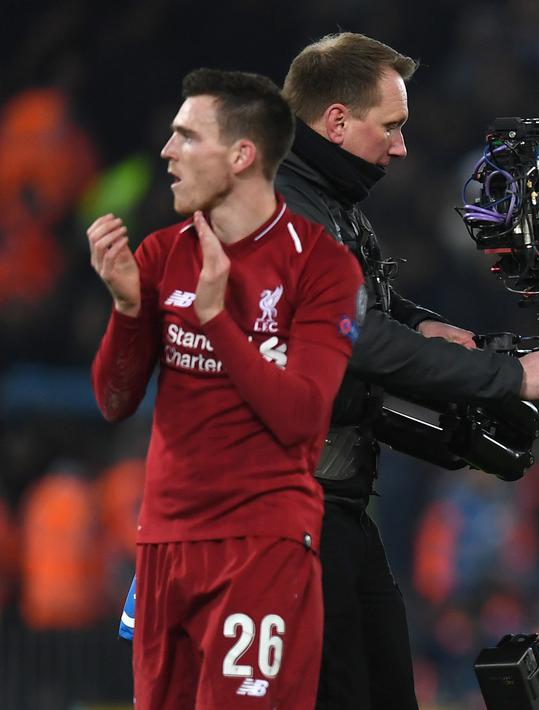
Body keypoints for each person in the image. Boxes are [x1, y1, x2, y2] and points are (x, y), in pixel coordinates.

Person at [277, 33, 539, 709]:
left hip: (337, 503)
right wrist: (510, 378)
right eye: (390, 126)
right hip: (288, 514)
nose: (401, 147)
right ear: (336, 121)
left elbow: (372, 307)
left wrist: (423, 326)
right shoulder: (284, 210)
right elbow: (355, 338)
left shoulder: (329, 203)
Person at [88, 69, 364, 708]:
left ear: (241, 156)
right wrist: (128, 310)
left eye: (186, 136)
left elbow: (303, 418)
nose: (167, 152)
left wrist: (216, 320)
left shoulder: (322, 267)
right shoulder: (161, 254)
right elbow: (113, 401)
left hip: (261, 544)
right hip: (164, 544)